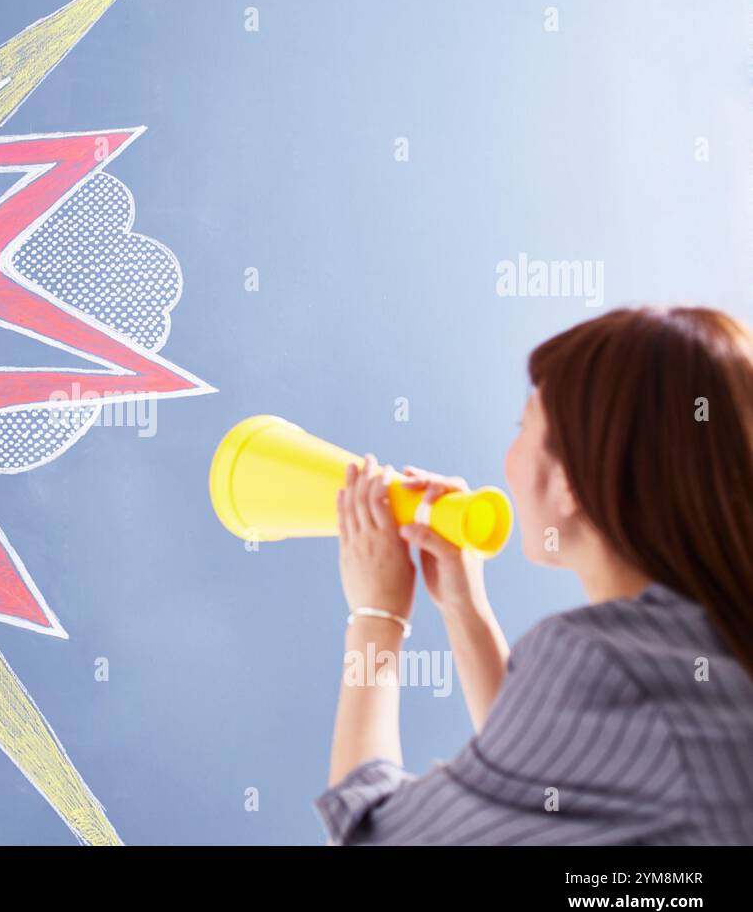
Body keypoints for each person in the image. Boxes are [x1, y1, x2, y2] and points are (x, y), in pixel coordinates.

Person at [319, 306, 753, 844]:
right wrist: (463, 608)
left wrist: (376, 615)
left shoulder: (601, 659)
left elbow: (373, 836)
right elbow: (558, 791)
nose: (509, 456)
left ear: (569, 481)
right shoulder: (699, 649)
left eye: (523, 425)